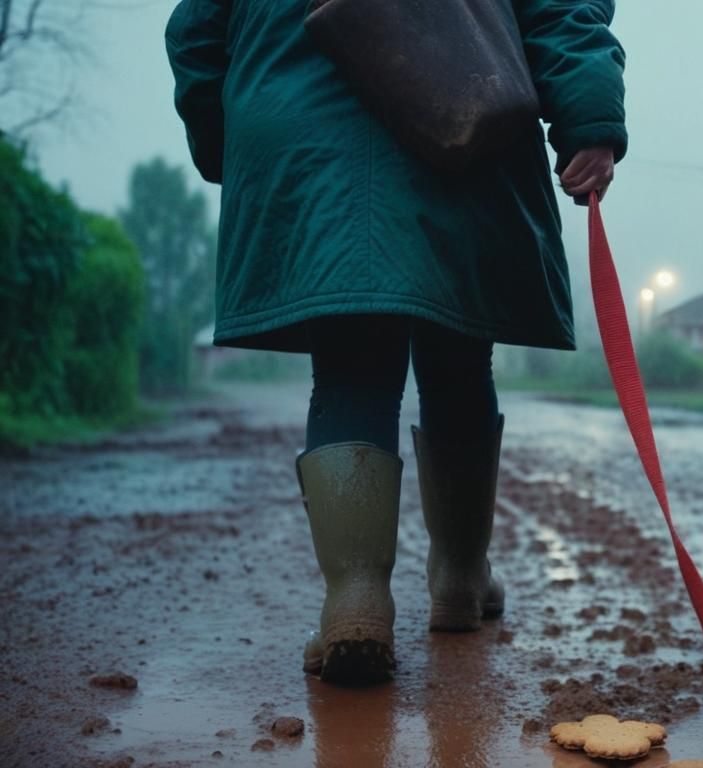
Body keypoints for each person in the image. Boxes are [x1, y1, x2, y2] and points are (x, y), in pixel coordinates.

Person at [165, 0, 626, 685]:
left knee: (351, 370)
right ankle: (461, 578)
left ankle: (356, 596)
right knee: (460, 357)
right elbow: (562, 9)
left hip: (303, 129)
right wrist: (589, 121)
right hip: (463, 122)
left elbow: (197, 32)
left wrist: (230, 132)